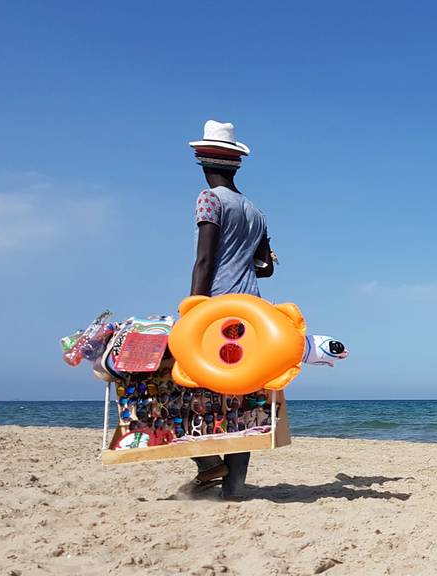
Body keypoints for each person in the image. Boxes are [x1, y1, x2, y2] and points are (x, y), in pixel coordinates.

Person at [186, 120, 274, 499]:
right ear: (235, 163)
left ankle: (208, 464)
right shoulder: (255, 211)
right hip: (253, 312)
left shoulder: (209, 200)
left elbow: (204, 260)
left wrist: (193, 308)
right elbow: (266, 267)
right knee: (243, 399)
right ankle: (233, 488)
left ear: (203, 162)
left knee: (183, 386)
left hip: (217, 309)